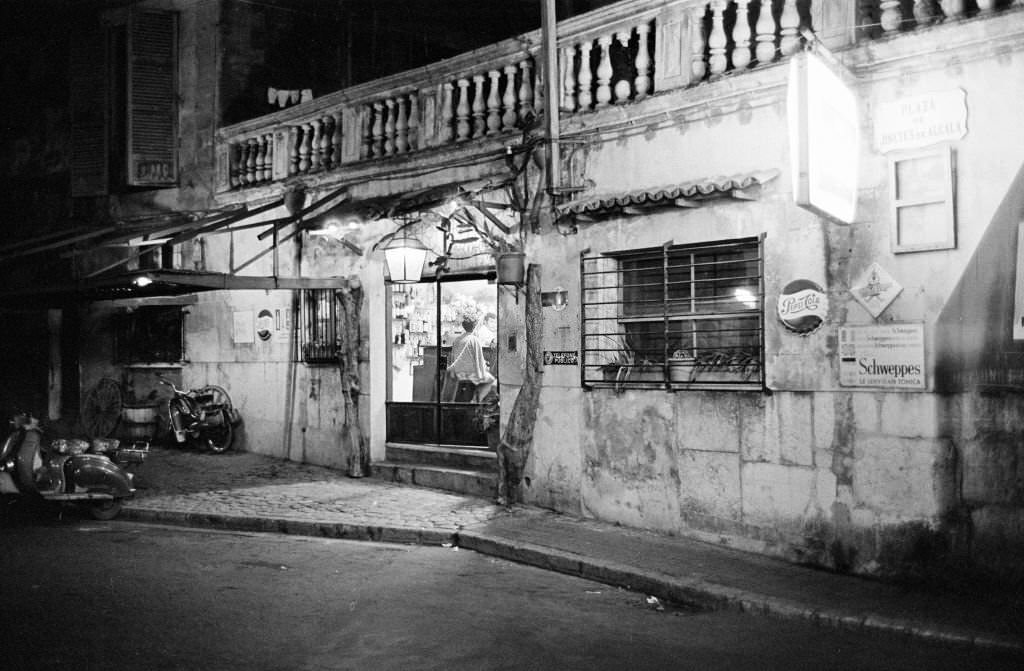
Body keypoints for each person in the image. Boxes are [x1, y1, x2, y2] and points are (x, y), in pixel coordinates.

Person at [441, 315, 495, 402]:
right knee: (491, 380)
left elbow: (453, 358)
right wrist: (485, 369)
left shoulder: (457, 339)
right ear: (474, 327)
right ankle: (476, 400)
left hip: (457, 372)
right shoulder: (475, 340)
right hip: (470, 373)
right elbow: (479, 360)